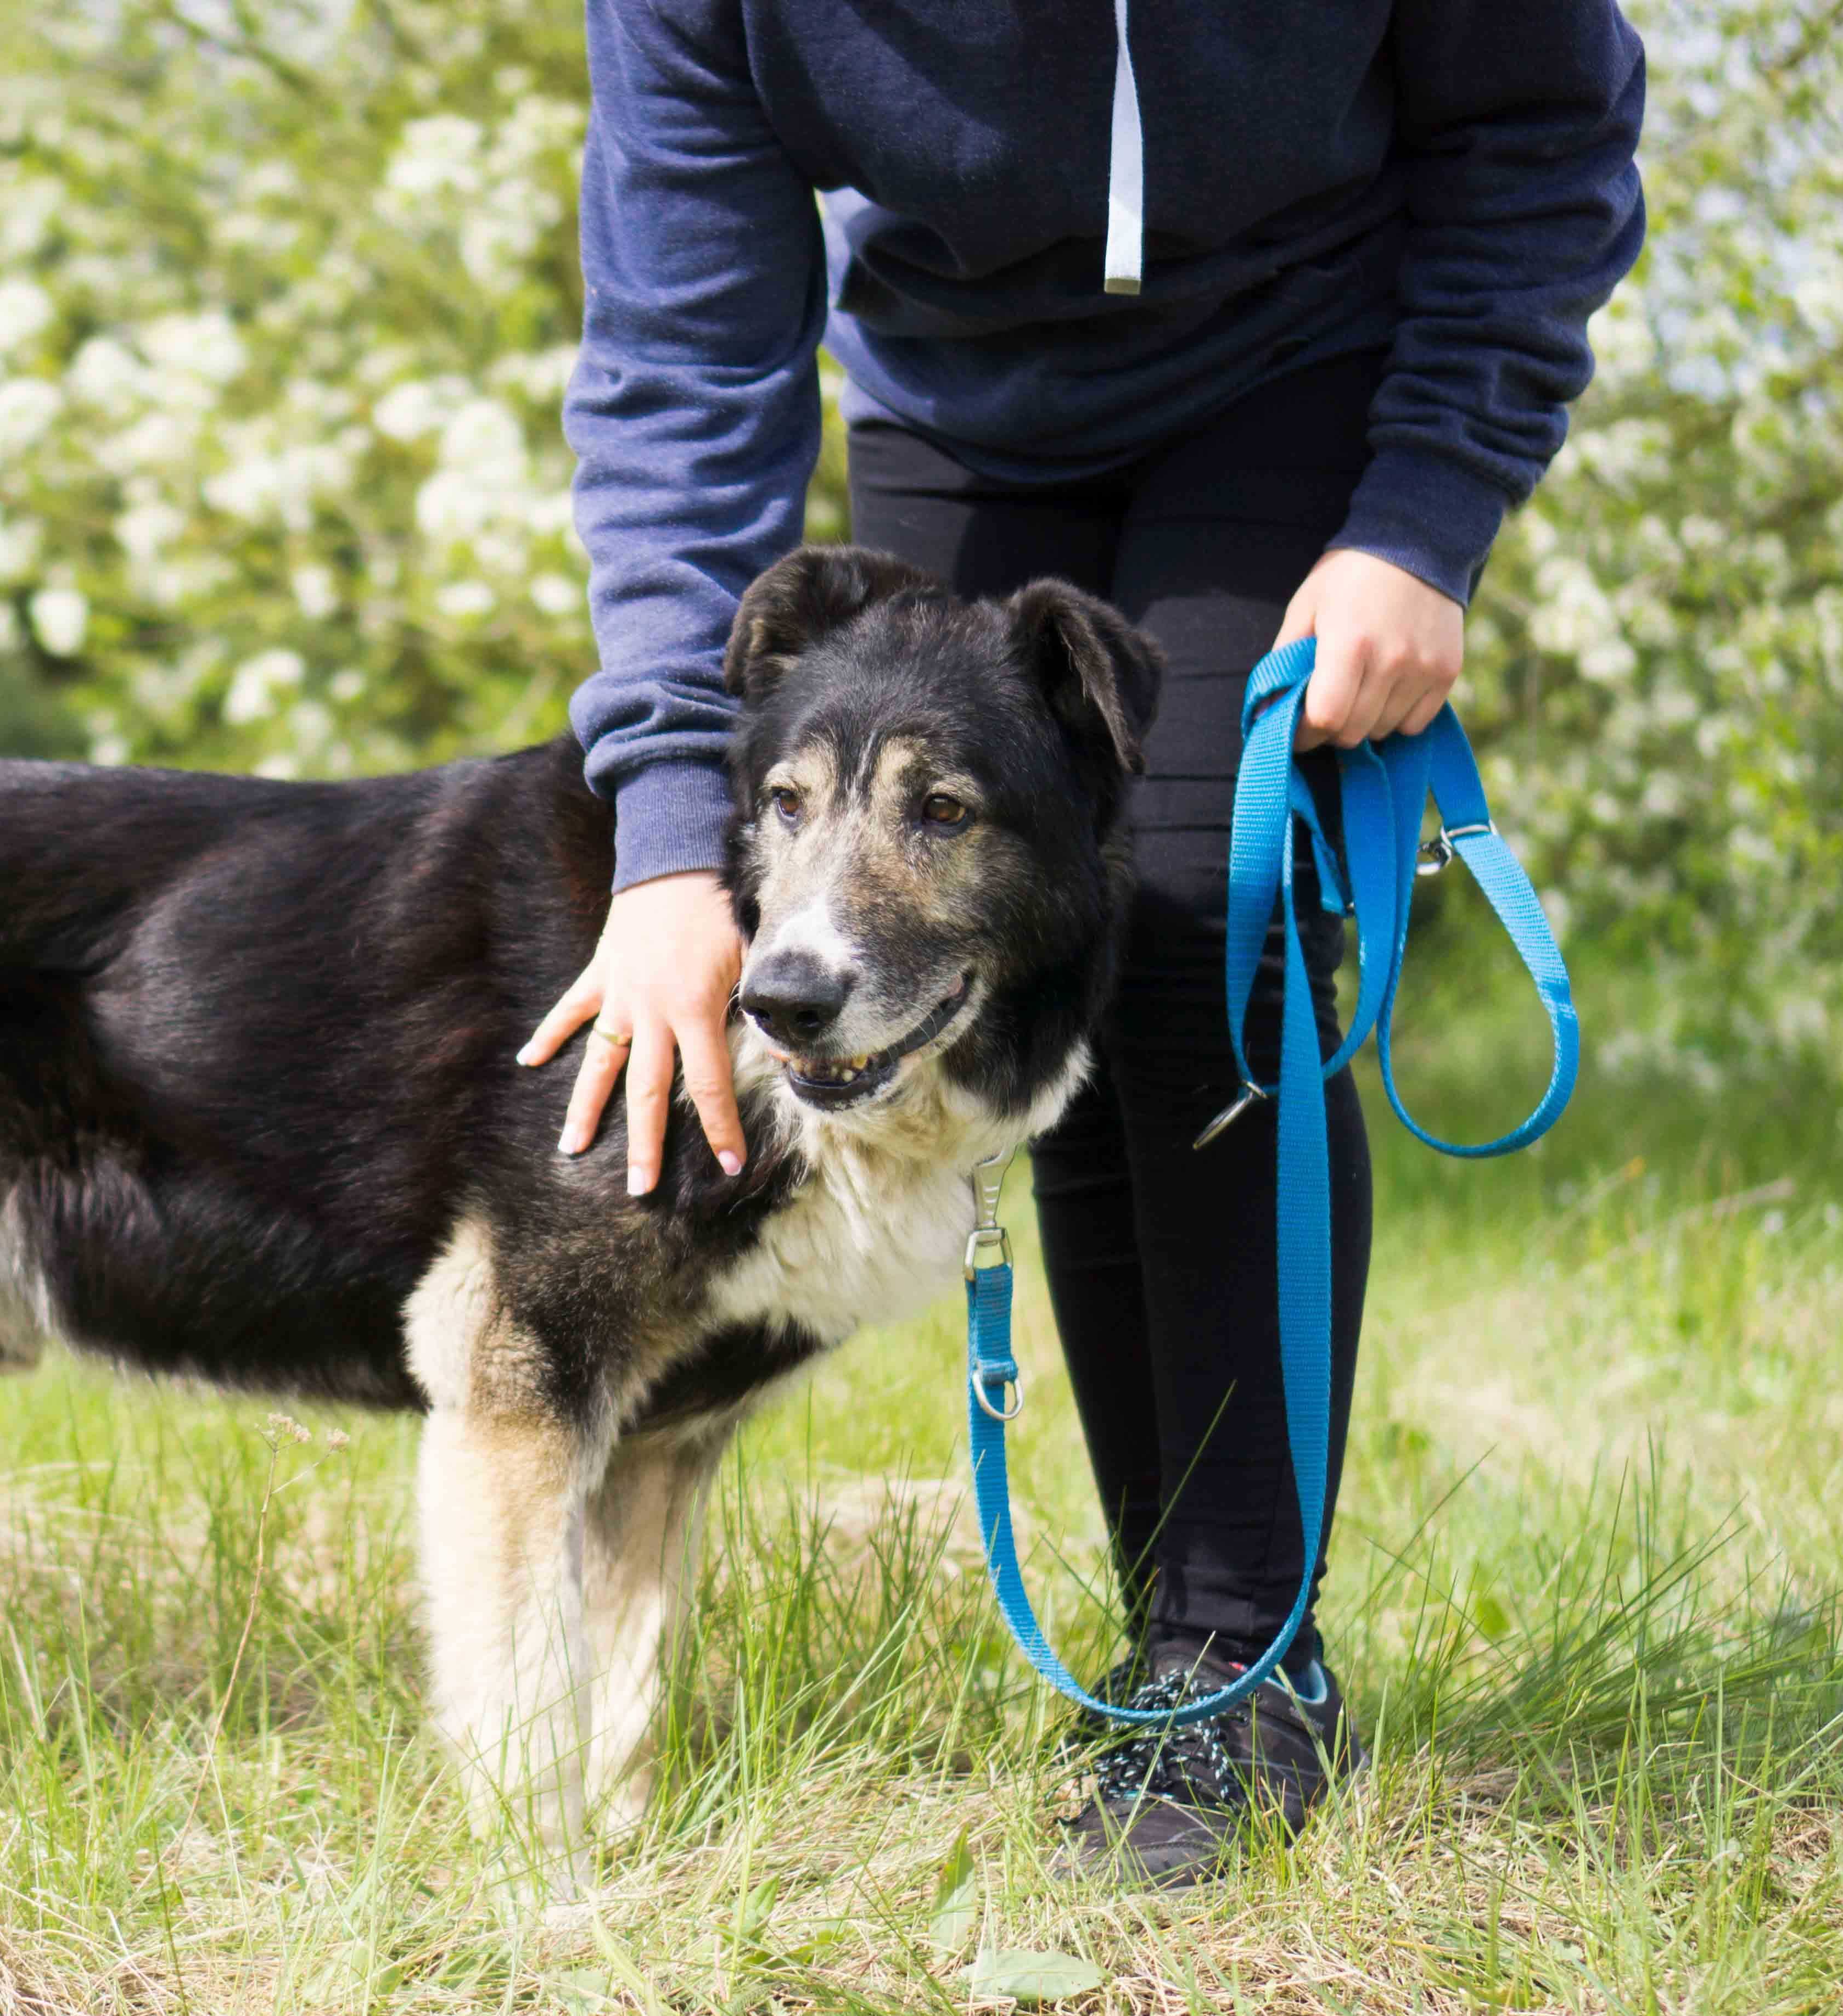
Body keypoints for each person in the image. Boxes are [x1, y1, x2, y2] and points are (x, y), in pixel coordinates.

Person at [517, 0, 1645, 1885]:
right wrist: (662, 855)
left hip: (1309, 361)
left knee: (1205, 945)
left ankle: (1232, 1674)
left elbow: (1537, 137)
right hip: (969, 401)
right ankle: (1178, 1645)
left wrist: (1424, 519)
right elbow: (680, 357)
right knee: (1048, 1004)